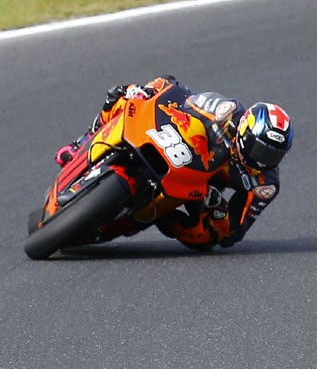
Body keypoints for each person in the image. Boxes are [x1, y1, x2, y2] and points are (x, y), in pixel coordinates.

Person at [54, 75, 293, 250]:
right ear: (245, 132)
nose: (263, 161)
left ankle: (155, 216)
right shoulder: (226, 112)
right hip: (185, 151)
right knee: (124, 95)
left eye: (273, 156)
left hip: (200, 191)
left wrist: (218, 209)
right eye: (261, 150)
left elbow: (233, 232)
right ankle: (82, 141)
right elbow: (182, 98)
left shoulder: (265, 184)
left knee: (206, 239)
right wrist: (151, 91)